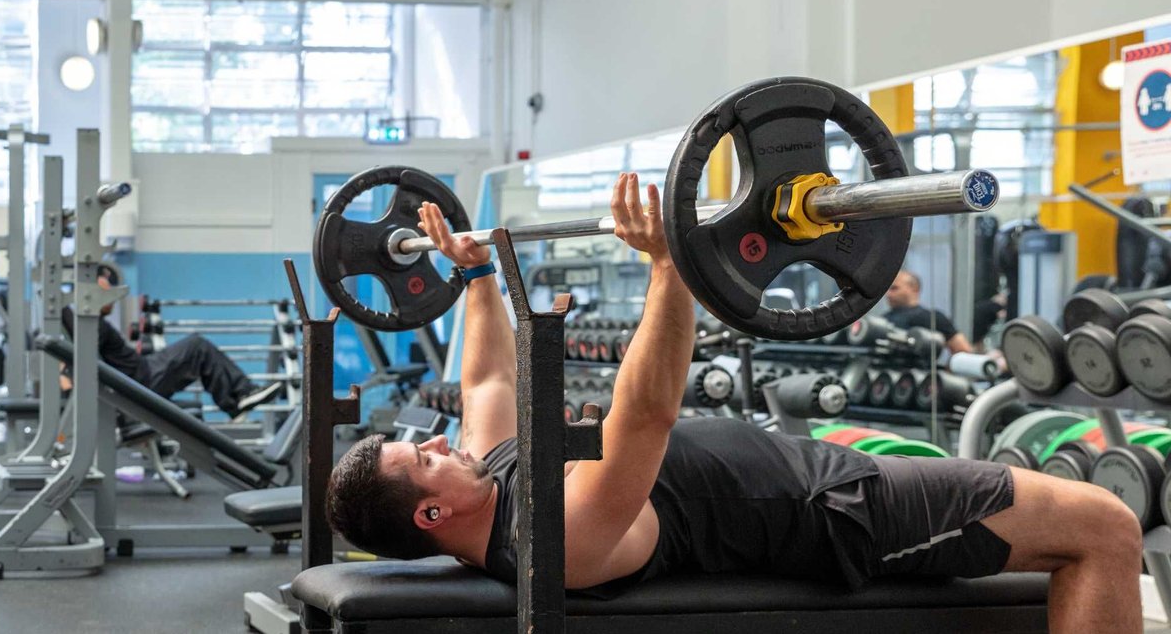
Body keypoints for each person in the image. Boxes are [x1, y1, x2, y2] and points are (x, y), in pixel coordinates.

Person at [326, 172, 1142, 632]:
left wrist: (470, 272)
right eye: (425, 458)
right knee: (1104, 525)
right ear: (431, 516)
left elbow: (489, 383)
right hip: (835, 511)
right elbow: (643, 418)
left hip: (821, 468)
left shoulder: (493, 479)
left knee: (1079, 521)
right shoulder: (551, 534)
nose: (441, 444)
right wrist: (668, 268)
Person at [61, 266, 276, 419]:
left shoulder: (89, 323)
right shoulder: (92, 324)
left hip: (141, 371)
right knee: (197, 346)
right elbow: (83, 358)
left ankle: (239, 397)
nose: (112, 297)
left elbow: (79, 355)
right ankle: (240, 395)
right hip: (142, 380)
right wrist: (66, 377)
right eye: (105, 291)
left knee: (197, 346)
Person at [884, 270, 972, 354]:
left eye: (894, 288)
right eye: (887, 289)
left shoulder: (932, 318)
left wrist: (947, 369)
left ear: (914, 289)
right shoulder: (884, 319)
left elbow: (963, 350)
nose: (888, 294)